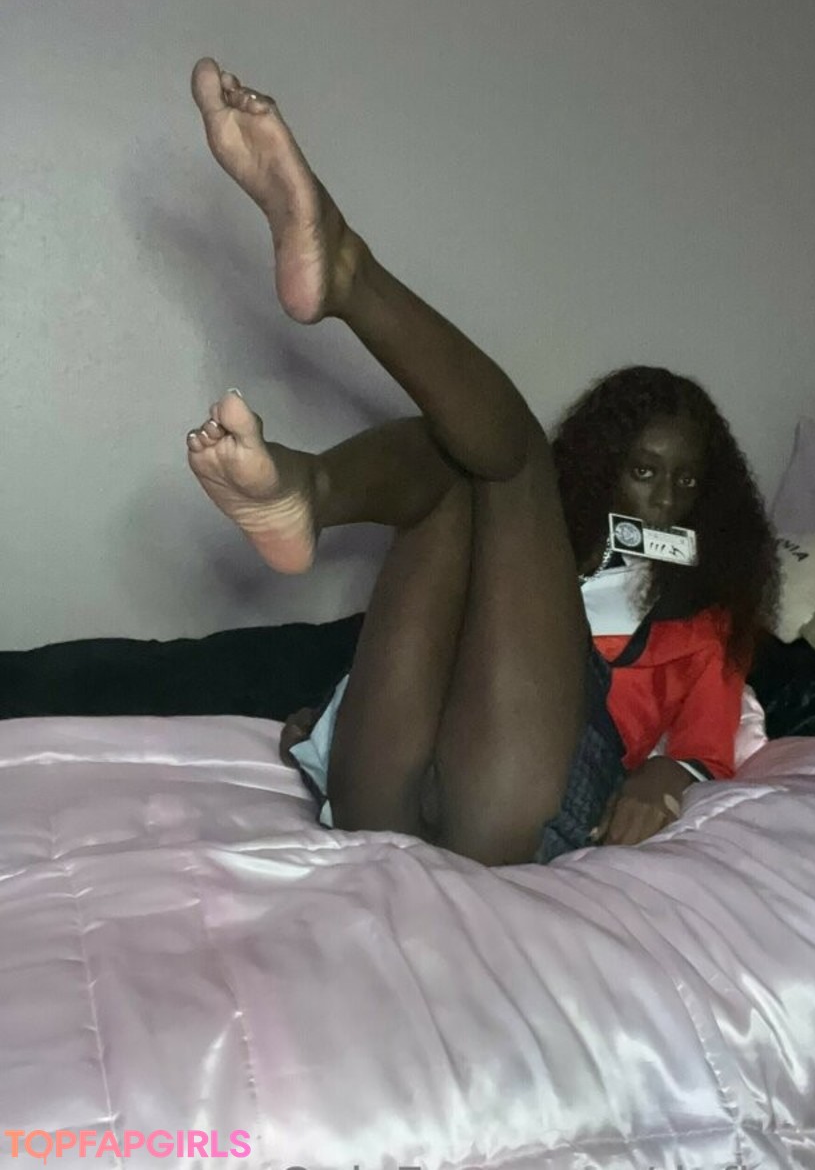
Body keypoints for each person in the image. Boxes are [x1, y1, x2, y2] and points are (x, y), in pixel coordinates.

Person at [185, 58, 777, 866]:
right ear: (603, 466)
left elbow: (709, 739)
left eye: (687, 482)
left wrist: (664, 775)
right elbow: (437, 630)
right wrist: (332, 715)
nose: (666, 499)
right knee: (460, 465)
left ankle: (343, 306)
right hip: (380, 792)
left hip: (523, 799)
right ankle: (308, 488)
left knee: (508, 455)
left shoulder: (704, 619)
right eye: (644, 471)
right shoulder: (539, 554)